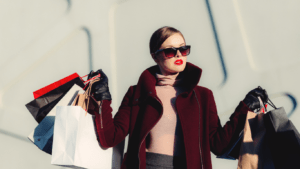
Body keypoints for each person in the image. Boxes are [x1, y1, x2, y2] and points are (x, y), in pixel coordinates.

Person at [87, 26, 268, 169]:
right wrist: (103, 97)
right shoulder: (137, 93)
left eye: (183, 48)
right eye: (170, 51)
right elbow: (110, 138)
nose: (179, 55)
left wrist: (245, 108)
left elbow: (218, 145)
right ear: (155, 56)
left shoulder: (202, 96)